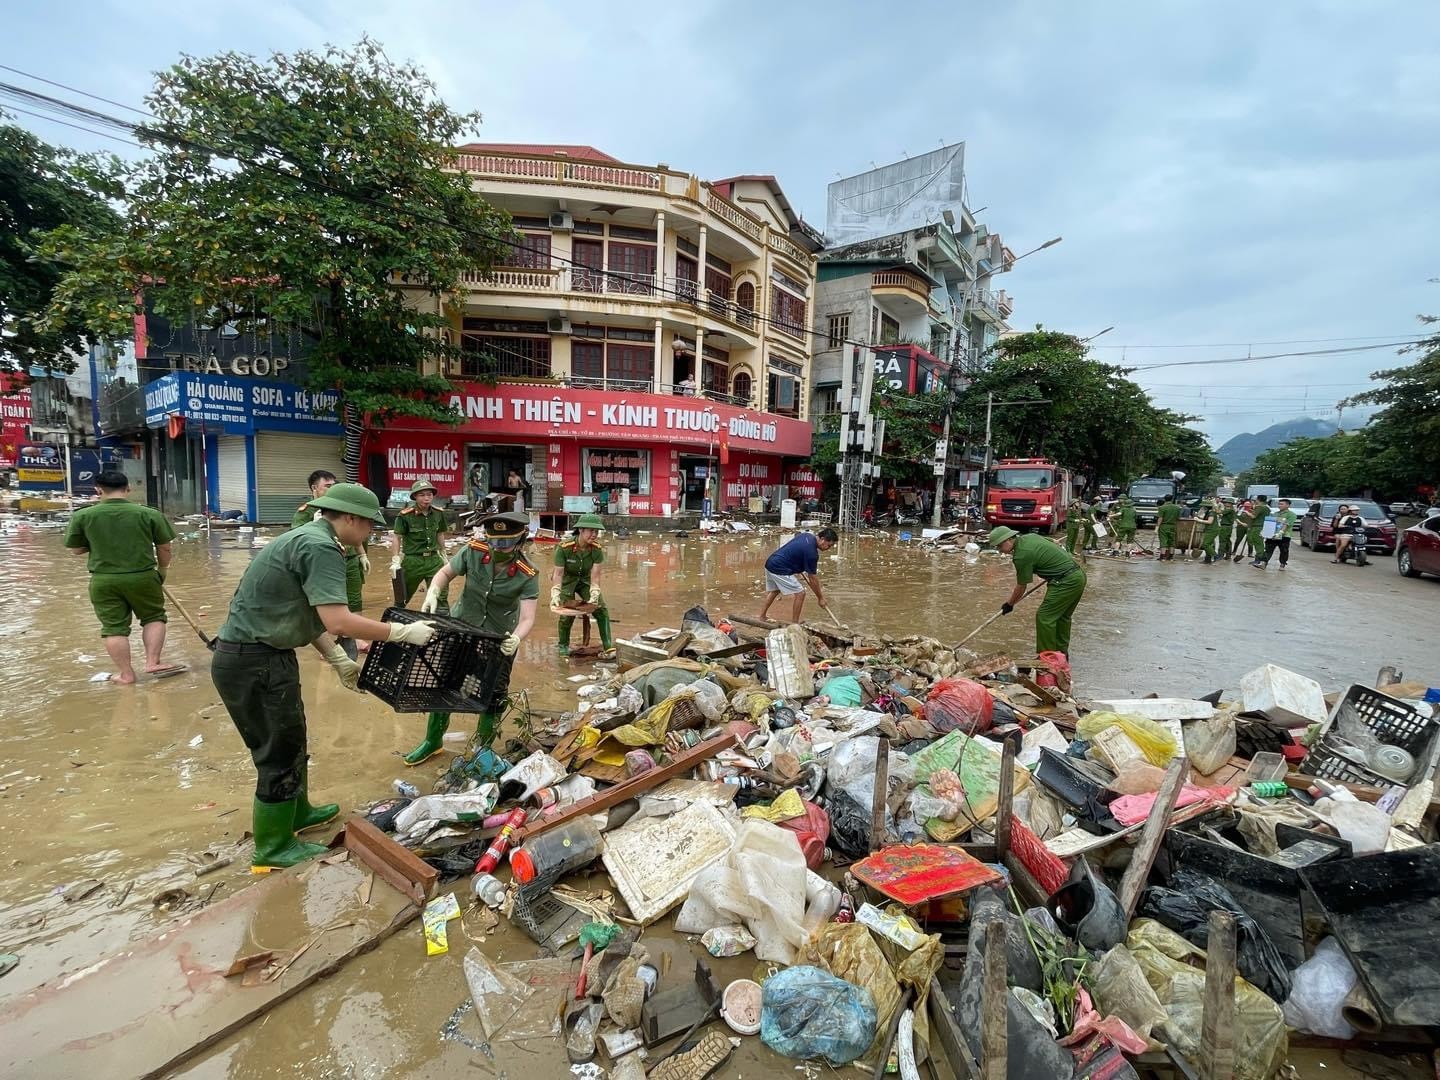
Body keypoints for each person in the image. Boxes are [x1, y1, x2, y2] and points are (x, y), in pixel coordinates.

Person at [211, 483, 437, 870]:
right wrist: (402, 632)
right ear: (349, 518)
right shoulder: (321, 547)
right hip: (254, 661)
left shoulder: (306, 537)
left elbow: (307, 613)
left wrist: (336, 658)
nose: (369, 535)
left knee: (293, 739)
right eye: (368, 526)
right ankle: (272, 847)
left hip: (262, 657)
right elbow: (339, 620)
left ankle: (296, 814)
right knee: (277, 754)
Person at [404, 511, 539, 765]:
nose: (500, 547)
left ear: (520, 540)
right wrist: (433, 591)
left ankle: (482, 747)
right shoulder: (474, 551)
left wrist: (517, 639)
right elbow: (445, 573)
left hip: (498, 639)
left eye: (506, 542)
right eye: (495, 541)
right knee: (444, 684)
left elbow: (528, 618)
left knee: (493, 693)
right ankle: (433, 741)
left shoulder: (527, 573)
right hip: (461, 629)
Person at [63, 469, 185, 684]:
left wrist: (98, 543)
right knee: (154, 617)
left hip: (104, 580)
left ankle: (126, 675)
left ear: (98, 490)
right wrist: (162, 570)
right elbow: (164, 547)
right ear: (128, 489)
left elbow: (76, 550)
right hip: (143, 577)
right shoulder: (149, 514)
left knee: (113, 628)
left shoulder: (83, 516)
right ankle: (152, 662)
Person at [292, 470, 370, 658]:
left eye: (334, 485)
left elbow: (353, 531)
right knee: (326, 601)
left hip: (348, 558)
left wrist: (362, 555)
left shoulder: (341, 507)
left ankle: (357, 637)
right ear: (314, 488)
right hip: (324, 562)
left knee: (354, 597)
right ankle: (329, 645)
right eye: (327, 486)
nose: (331, 489)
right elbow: (298, 538)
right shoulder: (306, 512)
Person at [989, 525, 1087, 657]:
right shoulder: (1030, 537)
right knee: (1062, 617)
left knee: (1045, 617)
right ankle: (1061, 654)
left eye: (999, 546)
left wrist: (1009, 604)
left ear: (1008, 540)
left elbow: (1021, 586)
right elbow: (1054, 542)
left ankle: (1047, 657)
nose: (999, 550)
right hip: (1078, 576)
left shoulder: (1021, 556)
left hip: (1065, 582)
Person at [553, 513, 612, 658]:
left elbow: (595, 575)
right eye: (591, 531)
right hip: (567, 580)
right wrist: (555, 592)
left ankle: (608, 646)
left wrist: (595, 592)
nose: (594, 534)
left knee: (601, 609)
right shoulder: (564, 548)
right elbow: (558, 574)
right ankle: (563, 645)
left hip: (585, 580)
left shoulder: (596, 549)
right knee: (567, 613)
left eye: (596, 531)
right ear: (581, 530)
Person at [759, 527, 838, 623]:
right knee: (801, 593)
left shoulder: (807, 535)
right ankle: (795, 624)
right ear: (822, 539)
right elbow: (813, 578)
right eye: (828, 545)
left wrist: (798, 567)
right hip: (779, 567)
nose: (828, 549)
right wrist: (820, 598)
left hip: (771, 562)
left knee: (775, 591)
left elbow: (796, 549)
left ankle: (762, 616)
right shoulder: (812, 553)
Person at [390, 479, 448, 610]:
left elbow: (440, 534)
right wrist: (395, 559)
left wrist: (443, 553)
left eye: (429, 494)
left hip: (434, 560)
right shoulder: (405, 515)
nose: (426, 498)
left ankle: (440, 626)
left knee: (440, 597)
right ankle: (394, 626)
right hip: (412, 561)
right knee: (402, 598)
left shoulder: (439, 513)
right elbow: (397, 537)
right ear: (415, 496)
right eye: (422, 495)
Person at [1253, 497, 1298, 570]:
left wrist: (1280, 533)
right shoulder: (1275, 514)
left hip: (1284, 536)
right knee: (1268, 549)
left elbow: (1286, 524)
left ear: (1287, 505)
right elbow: (1269, 523)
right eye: (1279, 504)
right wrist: (1264, 532)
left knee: (1284, 550)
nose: (1279, 505)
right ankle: (1263, 563)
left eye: (1281, 504)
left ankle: (1282, 564)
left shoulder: (1291, 515)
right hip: (1272, 535)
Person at [1242, 495, 1270, 565]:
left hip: (1257, 527)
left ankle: (1259, 559)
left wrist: (1246, 512)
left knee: (1257, 543)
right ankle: (1261, 559)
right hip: (1262, 526)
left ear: (1258, 500)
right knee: (1259, 542)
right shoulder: (1267, 508)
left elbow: (1253, 516)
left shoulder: (1259, 507)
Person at [1155, 494, 1182, 561]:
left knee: (1163, 541)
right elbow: (1178, 518)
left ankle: (1162, 556)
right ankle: (1171, 557)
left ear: (1165, 499)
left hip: (1164, 526)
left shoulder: (1162, 508)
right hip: (1173, 526)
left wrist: (1157, 527)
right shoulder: (1177, 508)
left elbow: (1160, 518)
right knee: (1172, 541)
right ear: (1172, 499)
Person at [1198, 498, 1221, 565]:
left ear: (1206, 507)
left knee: (1206, 544)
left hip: (1212, 530)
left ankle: (1215, 556)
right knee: (1209, 545)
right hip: (1209, 530)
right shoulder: (1207, 512)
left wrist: (1198, 520)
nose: (1202, 508)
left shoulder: (1211, 513)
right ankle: (1207, 559)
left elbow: (1209, 522)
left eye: (1203, 507)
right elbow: (1201, 517)